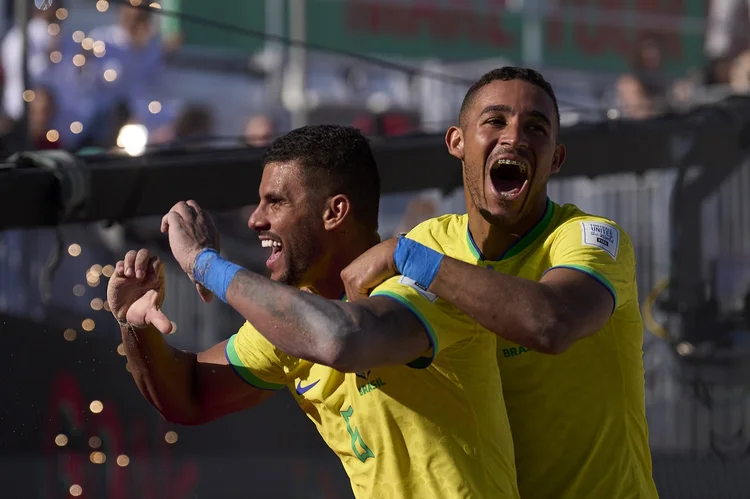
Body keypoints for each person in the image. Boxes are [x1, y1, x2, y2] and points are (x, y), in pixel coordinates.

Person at [108, 125, 520, 499]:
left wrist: (204, 264)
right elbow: (189, 397)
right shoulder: (291, 320)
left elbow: (342, 338)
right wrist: (133, 324)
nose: (255, 220)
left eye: (275, 203)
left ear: (334, 212)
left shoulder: (422, 276)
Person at [341, 67, 660, 499]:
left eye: (536, 127)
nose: (514, 137)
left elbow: (552, 323)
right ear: (456, 142)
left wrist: (407, 257)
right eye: (495, 121)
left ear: (556, 158)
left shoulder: (590, 237)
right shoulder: (431, 241)